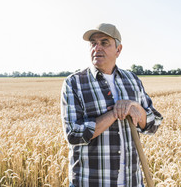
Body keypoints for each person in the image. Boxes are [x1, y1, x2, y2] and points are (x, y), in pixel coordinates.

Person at [60, 23, 163, 187]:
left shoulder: (132, 80)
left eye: (104, 42)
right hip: (90, 182)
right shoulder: (75, 83)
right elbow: (73, 133)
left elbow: (154, 124)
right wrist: (114, 114)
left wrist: (135, 107)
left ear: (118, 49)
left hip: (132, 182)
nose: (97, 47)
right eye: (93, 43)